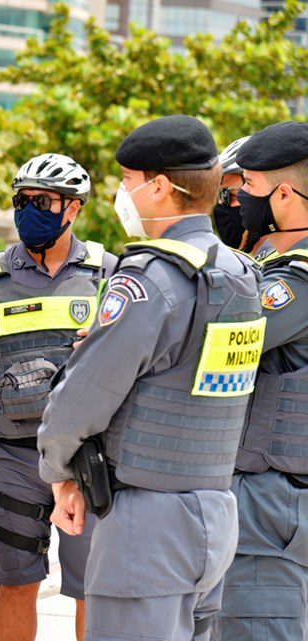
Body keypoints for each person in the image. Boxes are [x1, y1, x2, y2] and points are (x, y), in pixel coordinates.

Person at [37, 115, 264, 640]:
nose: (122, 192)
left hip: (147, 524)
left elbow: (83, 397)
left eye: (127, 180)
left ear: (159, 187)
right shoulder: (241, 277)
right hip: (214, 511)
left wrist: (59, 472)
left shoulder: (149, 282)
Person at [0, 153, 115, 641]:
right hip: (13, 459)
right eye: (21, 200)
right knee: (15, 584)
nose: (28, 209)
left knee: (90, 589)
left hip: (87, 461)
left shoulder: (107, 273)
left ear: (72, 209)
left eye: (42, 201)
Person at [210, 121, 308, 640]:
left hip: (272, 502)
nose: (233, 202)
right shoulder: (269, 263)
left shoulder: (296, 278)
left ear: (285, 194)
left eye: (245, 188)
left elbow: (217, 347)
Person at [213, 136, 277, 262]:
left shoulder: (287, 265)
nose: (221, 205)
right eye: (219, 196)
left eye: (229, 195)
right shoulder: (247, 262)